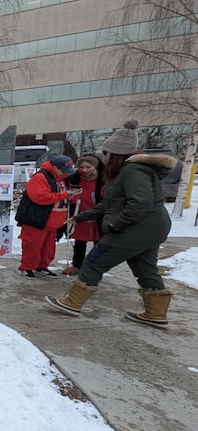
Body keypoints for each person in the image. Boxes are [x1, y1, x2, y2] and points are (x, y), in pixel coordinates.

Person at [45, 119, 177, 329]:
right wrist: (80, 217)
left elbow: (140, 202)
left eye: (105, 153)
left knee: (94, 261)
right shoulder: (133, 170)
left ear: (115, 154)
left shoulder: (133, 170)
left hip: (137, 227)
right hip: (152, 228)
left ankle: (72, 303)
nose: (104, 157)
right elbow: (108, 204)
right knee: (144, 268)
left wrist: (117, 224)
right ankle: (155, 314)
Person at [15, 155, 81, 279]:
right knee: (32, 246)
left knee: (48, 248)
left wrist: (73, 196)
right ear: (55, 168)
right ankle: (27, 268)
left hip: (53, 221)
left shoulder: (63, 179)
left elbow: (64, 197)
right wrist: (64, 195)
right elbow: (40, 197)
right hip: (36, 219)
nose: (66, 174)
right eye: (63, 171)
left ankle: (42, 266)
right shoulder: (40, 177)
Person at [61, 154, 105, 275]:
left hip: (99, 214)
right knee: (80, 241)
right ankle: (77, 265)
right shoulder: (73, 179)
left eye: (88, 167)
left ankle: (95, 268)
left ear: (95, 166)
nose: (84, 170)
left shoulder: (104, 180)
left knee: (99, 241)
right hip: (80, 214)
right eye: (81, 167)